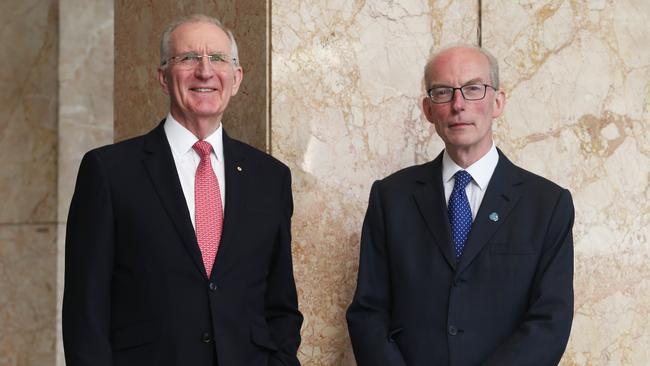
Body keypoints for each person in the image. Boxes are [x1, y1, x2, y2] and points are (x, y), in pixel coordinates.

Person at [63, 14, 302, 366]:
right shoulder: (109, 172)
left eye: (218, 59)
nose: (205, 71)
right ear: (163, 77)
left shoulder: (270, 177)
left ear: (236, 79)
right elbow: (86, 313)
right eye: (188, 58)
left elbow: (281, 305)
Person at [347, 45, 574, 366]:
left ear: (498, 102)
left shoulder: (547, 204)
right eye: (443, 92)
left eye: (473, 89)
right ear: (427, 109)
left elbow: (550, 321)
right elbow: (368, 312)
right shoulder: (391, 197)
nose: (458, 104)